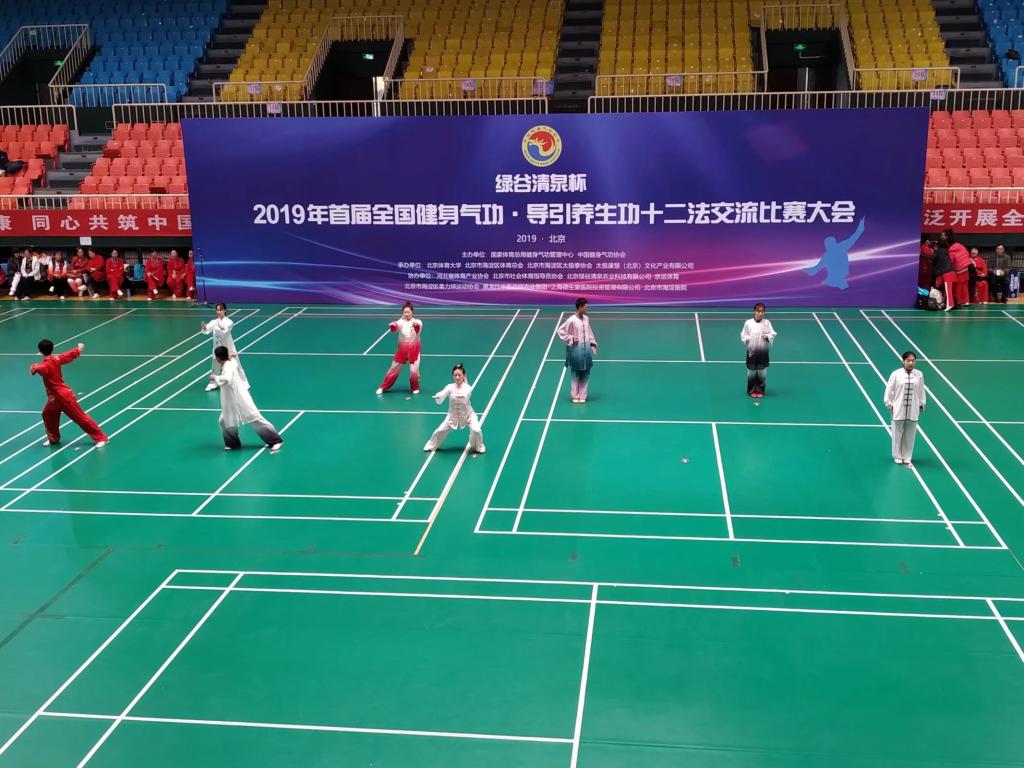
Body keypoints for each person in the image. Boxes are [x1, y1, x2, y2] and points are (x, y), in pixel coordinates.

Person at [29, 340, 108, 447]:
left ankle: (101, 438)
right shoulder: (56, 358)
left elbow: (40, 369)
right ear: (53, 348)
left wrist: (33, 367)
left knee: (80, 417)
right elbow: (68, 355)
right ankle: (53, 439)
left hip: (63, 396)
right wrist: (79, 348)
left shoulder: (45, 364)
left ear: (40, 351)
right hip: (54, 398)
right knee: (48, 414)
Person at [209, 345, 283, 452]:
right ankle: (233, 444)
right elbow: (233, 362)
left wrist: (215, 377)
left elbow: (227, 379)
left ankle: (276, 441)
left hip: (240, 400)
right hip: (230, 402)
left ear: (217, 358)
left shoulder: (228, 367)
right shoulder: (230, 363)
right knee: (224, 421)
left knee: (255, 419)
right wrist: (232, 357)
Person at [424, 363, 485, 453]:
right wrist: (439, 396)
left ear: (463, 376)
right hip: (452, 416)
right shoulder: (450, 387)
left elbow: (466, 395)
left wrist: (461, 395)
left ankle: (479, 446)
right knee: (439, 431)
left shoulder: (468, 387)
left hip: (468, 415)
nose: (457, 377)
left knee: (476, 430)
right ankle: (431, 445)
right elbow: (443, 392)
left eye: (459, 375)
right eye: (455, 375)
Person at [884, 350, 925, 467]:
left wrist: (922, 403)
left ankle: (907, 457)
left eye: (913, 361)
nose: (911, 363)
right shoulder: (896, 374)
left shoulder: (919, 375)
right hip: (898, 408)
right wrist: (888, 403)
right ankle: (897, 456)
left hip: (913, 409)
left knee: (910, 434)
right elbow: (889, 390)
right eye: (908, 360)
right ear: (903, 361)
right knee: (897, 433)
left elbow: (921, 390)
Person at [804, 217, 865, 290]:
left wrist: (859, 229)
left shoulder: (841, 247)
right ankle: (836, 282)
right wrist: (807, 270)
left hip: (840, 274)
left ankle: (839, 282)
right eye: (826, 244)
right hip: (833, 277)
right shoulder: (827, 254)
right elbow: (818, 267)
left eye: (829, 244)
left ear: (834, 243)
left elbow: (853, 238)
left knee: (840, 285)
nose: (827, 245)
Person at [376, 301, 423, 395]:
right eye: (405, 312)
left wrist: (415, 326)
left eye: (408, 312)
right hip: (402, 351)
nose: (406, 314)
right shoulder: (400, 322)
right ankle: (383, 387)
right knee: (393, 370)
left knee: (413, 371)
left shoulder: (418, 321)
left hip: (414, 351)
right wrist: (393, 325)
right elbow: (395, 328)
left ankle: (415, 388)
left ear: (412, 312)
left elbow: (418, 329)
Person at [557, 297, 598, 403]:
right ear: (580, 307)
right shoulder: (571, 320)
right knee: (575, 373)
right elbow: (560, 330)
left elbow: (589, 332)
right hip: (576, 351)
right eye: (586, 307)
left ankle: (583, 396)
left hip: (586, 351)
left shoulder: (586, 319)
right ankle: (575, 396)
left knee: (586, 372)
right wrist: (571, 338)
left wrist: (592, 343)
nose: (587, 309)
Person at [201, 302, 245, 392]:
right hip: (217, 345)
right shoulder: (214, 322)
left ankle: (242, 382)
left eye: (221, 310)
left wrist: (216, 328)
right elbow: (207, 330)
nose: (219, 312)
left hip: (227, 345)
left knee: (234, 363)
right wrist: (205, 327)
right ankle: (213, 382)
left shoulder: (229, 322)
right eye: (217, 310)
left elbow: (224, 332)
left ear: (225, 310)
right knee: (215, 363)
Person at [741, 302, 778, 398]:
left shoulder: (767, 323)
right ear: (754, 311)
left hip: (763, 352)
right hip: (752, 352)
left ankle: (760, 390)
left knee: (762, 372)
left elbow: (773, 333)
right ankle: (751, 390)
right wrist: (748, 338)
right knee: (751, 372)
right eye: (758, 311)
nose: (760, 313)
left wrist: (767, 336)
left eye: (762, 311)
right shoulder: (748, 323)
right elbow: (743, 335)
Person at [944, 229, 972, 308]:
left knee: (958, 286)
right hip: (966, 267)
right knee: (965, 285)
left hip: (959, 269)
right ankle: (966, 301)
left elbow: (951, 260)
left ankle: (959, 301)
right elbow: (967, 253)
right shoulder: (960, 245)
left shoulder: (950, 250)